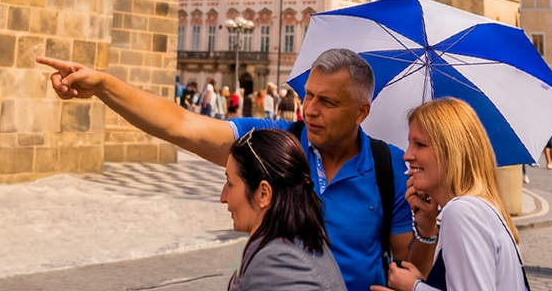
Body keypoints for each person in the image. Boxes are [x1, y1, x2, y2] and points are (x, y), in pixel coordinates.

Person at [38, 48, 430, 291]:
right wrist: (104, 86)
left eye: (327, 102)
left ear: (362, 111)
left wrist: (426, 228)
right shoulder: (275, 144)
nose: (310, 109)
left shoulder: (389, 166)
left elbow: (405, 266)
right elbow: (181, 125)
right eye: (308, 94)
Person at [374, 98, 525, 291]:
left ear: (451, 151)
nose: (407, 155)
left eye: (419, 144)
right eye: (410, 143)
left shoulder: (462, 212)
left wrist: (414, 288)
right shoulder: (476, 208)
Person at [222, 128, 345, 291]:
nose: (223, 197)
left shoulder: (276, 263)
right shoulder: (304, 242)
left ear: (263, 194)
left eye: (230, 183)